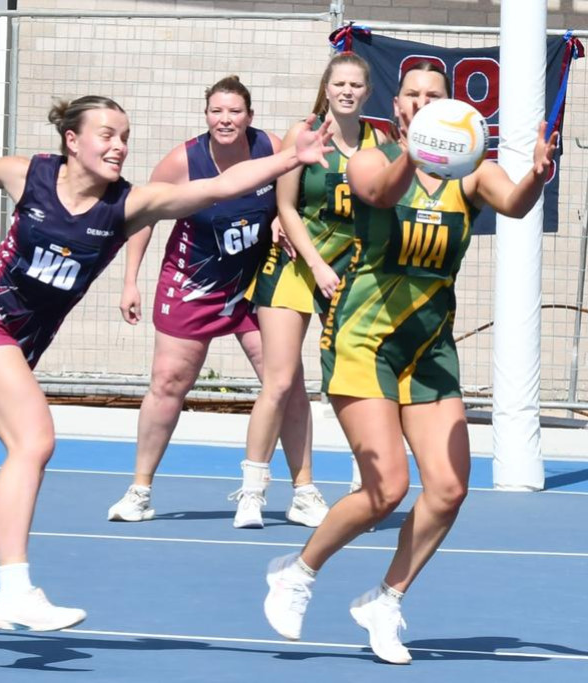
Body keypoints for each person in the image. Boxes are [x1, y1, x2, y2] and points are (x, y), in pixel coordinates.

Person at [0, 96, 333, 630]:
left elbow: (214, 187)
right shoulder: (29, 176)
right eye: (107, 135)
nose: (119, 147)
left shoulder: (127, 206)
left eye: (125, 137)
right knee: (34, 440)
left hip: (16, 342)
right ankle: (14, 591)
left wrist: (288, 157)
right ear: (72, 141)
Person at [262, 60, 559, 663]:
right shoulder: (371, 158)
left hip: (428, 348)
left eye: (435, 97)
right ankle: (298, 570)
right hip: (363, 340)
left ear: (454, 109)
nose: (422, 104)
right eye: (413, 96)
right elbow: (380, 193)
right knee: (387, 487)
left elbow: (517, 206)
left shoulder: (472, 172)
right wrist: (416, 151)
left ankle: (386, 598)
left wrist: (536, 174)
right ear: (397, 106)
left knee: (449, 490)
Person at [107, 76, 329, 529]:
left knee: (285, 382)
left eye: (234, 111)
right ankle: (140, 489)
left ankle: (303, 491)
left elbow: (293, 199)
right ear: (206, 115)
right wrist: (129, 279)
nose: (225, 119)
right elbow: (145, 215)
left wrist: (279, 224)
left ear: (249, 116)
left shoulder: (269, 146)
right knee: (168, 382)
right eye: (216, 111)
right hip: (193, 284)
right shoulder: (183, 160)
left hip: (252, 286)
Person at [241, 53, 385, 528]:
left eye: (355, 84)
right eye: (338, 83)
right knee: (280, 381)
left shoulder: (379, 142)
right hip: (299, 264)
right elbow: (285, 207)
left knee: (354, 380)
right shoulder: (301, 133)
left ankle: (364, 482)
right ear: (326, 87)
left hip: (352, 269)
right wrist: (318, 263)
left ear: (366, 92)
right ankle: (253, 489)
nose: (346, 90)